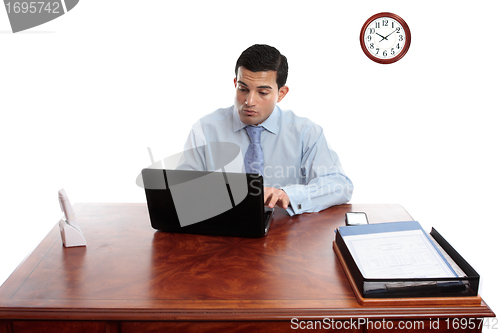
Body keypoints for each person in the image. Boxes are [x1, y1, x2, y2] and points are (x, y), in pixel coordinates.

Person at [178, 44, 353, 216]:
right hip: (220, 230)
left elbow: (340, 186)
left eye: (262, 92)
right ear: (235, 84)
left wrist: (288, 194)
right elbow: (180, 189)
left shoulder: (306, 133)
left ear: (281, 93)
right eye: (243, 89)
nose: (249, 101)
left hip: (284, 234)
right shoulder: (205, 130)